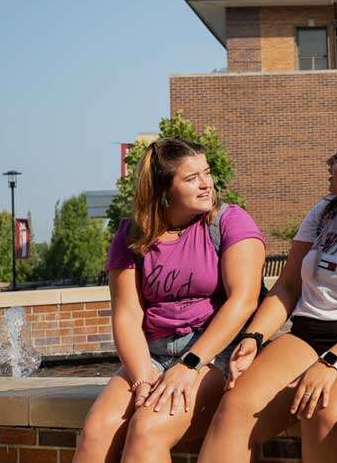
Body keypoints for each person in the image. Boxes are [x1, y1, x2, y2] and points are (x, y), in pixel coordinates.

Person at [196, 129, 337, 463]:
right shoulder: (326, 211)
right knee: (235, 407)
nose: (329, 162)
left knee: (321, 412)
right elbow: (287, 286)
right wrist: (255, 337)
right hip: (306, 334)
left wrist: (331, 363)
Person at [74, 137, 266, 463]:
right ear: (164, 192)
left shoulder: (229, 222)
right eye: (191, 179)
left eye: (206, 173)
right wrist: (141, 379)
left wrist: (191, 364)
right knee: (96, 430)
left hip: (214, 352)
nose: (206, 184)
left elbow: (243, 301)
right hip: (154, 353)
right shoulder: (131, 236)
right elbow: (126, 317)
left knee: (148, 429)